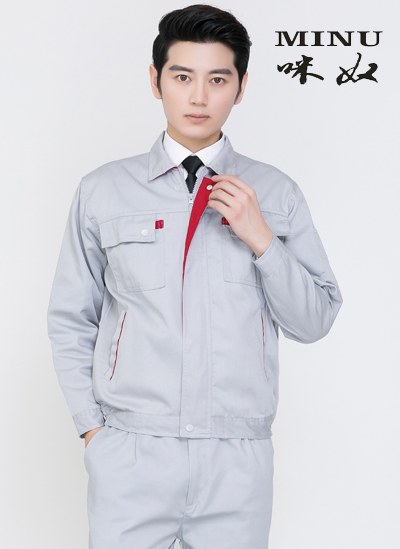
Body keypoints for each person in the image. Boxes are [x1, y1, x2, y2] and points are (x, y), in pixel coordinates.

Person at [47, 4, 343, 548]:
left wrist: (261, 239)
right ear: (156, 80)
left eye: (218, 79)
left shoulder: (276, 194)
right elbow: (71, 317)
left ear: (242, 87)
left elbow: (315, 320)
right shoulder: (103, 190)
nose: (199, 97)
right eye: (182, 77)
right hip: (132, 453)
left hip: (237, 459)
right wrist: (94, 431)